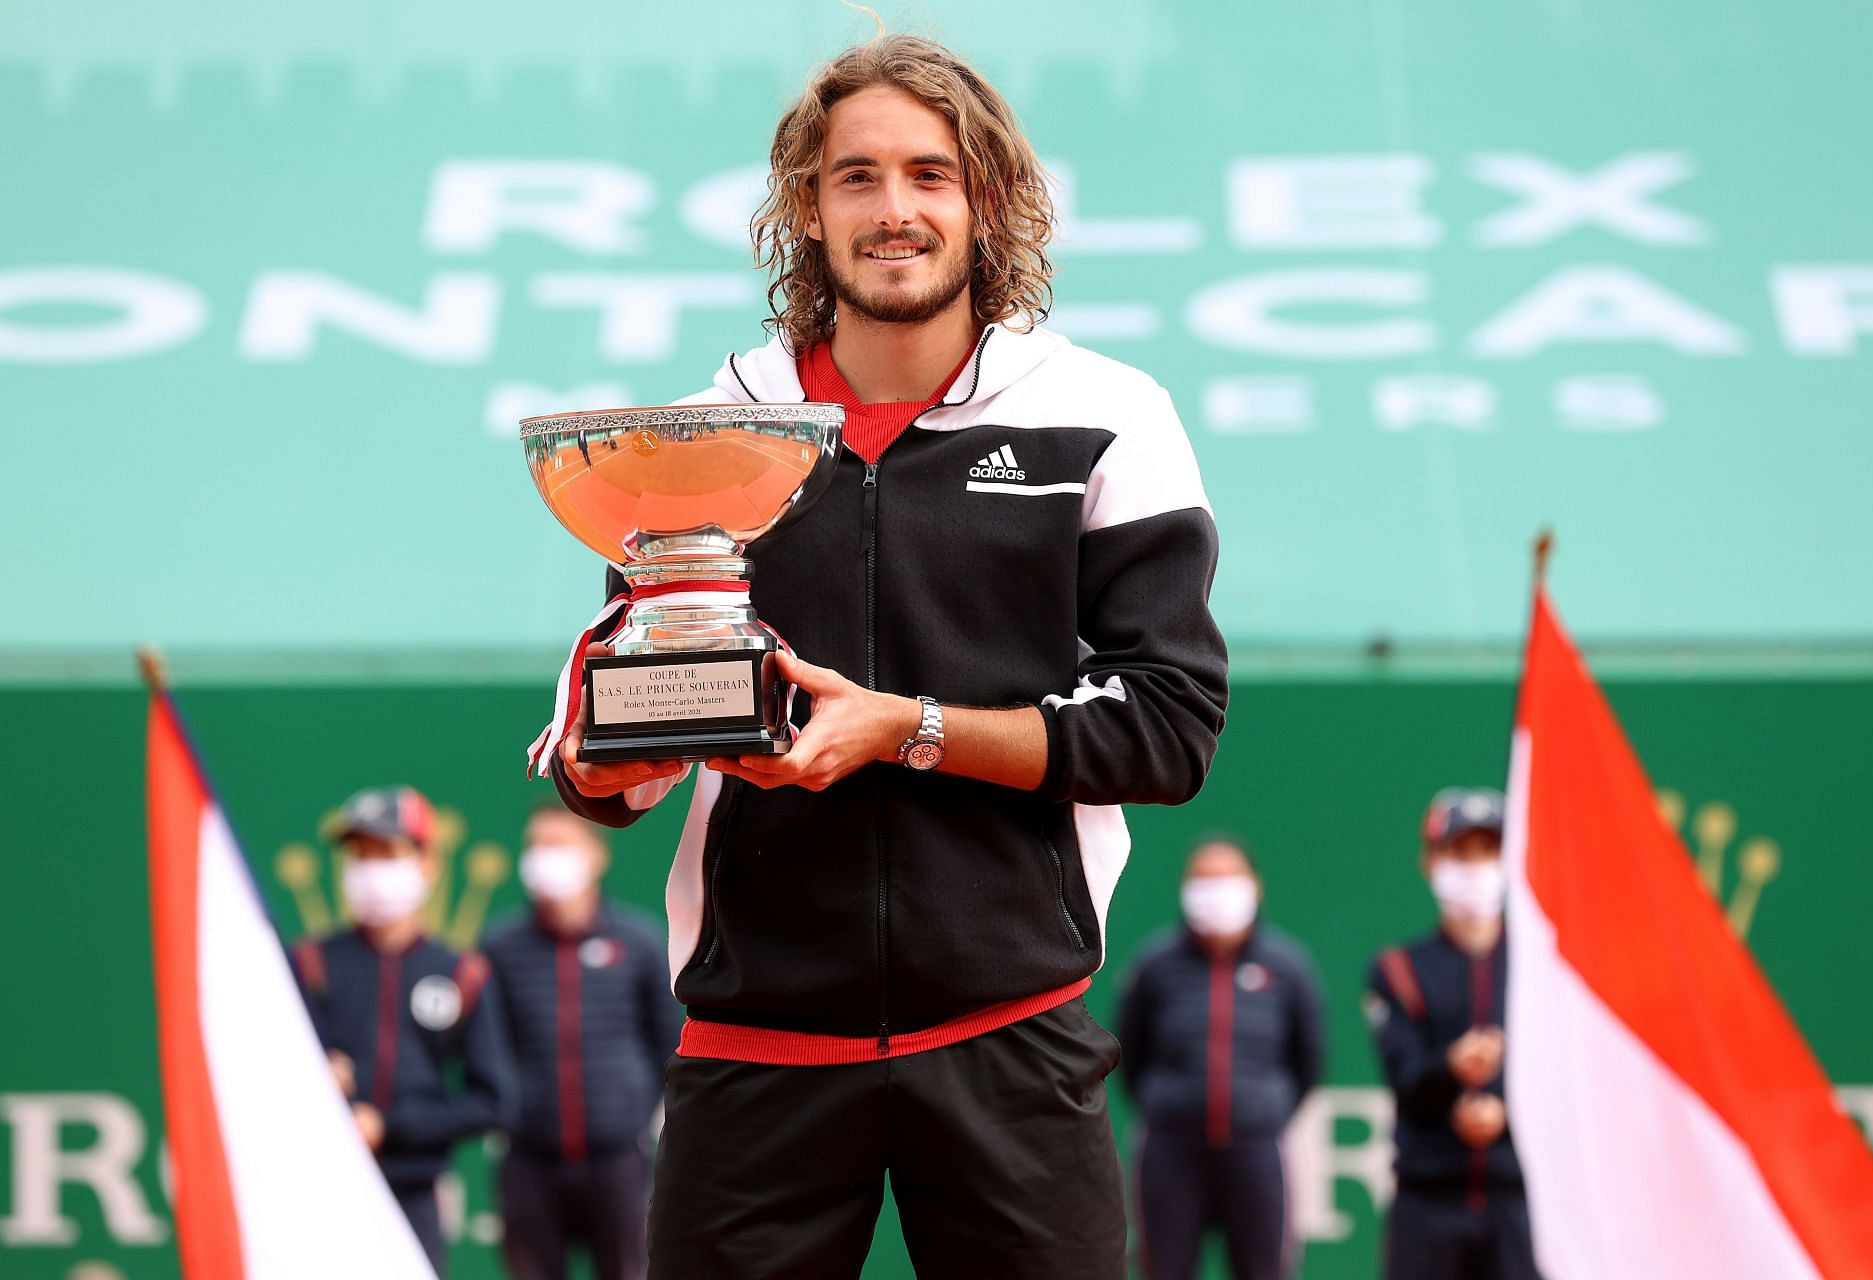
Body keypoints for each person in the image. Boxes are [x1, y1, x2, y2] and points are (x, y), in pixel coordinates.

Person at [532, 33, 1230, 1279]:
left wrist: (907, 725)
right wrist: (605, 755)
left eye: (930, 174)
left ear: (989, 202)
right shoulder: (702, 438)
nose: (894, 210)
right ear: (808, 205)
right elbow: (618, 774)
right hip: (756, 1050)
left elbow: (1169, 727)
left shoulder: (1109, 415)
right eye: (856, 177)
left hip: (1010, 1034)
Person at [291, 785, 515, 1275]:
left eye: (387, 852)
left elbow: (493, 1102)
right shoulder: (309, 963)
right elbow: (267, 1076)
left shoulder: (462, 973)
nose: (372, 869)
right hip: (318, 1191)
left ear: (426, 863)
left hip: (415, 1194)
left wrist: (387, 1126)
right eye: (360, 854)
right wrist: (310, 1077)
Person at [483, 803, 681, 1280]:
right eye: (536, 848)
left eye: (560, 847)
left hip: (619, 1162)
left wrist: (641, 1117)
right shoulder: (499, 947)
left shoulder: (639, 942)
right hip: (528, 1162)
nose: (544, 860)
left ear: (596, 855)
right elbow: (492, 1051)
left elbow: (669, 1046)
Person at [1118, 837, 1326, 1280]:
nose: (1216, 894)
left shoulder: (1287, 968)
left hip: (1257, 1148)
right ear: (1185, 889)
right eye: (1204, 881)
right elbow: (1131, 1056)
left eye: (1229, 880)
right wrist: (1172, 1106)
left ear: (1255, 887)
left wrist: (1264, 1110)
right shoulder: (1154, 966)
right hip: (1171, 1152)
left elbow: (1308, 1059)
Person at [1363, 788, 1540, 1280]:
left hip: (1522, 1203)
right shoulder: (1398, 970)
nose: (1475, 868)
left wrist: (1507, 1110)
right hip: (1428, 1201)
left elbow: (1569, 1082)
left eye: (1489, 852)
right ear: (1431, 861)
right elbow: (1407, 1080)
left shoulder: (1543, 970)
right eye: (1460, 853)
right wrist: (1452, 1069)